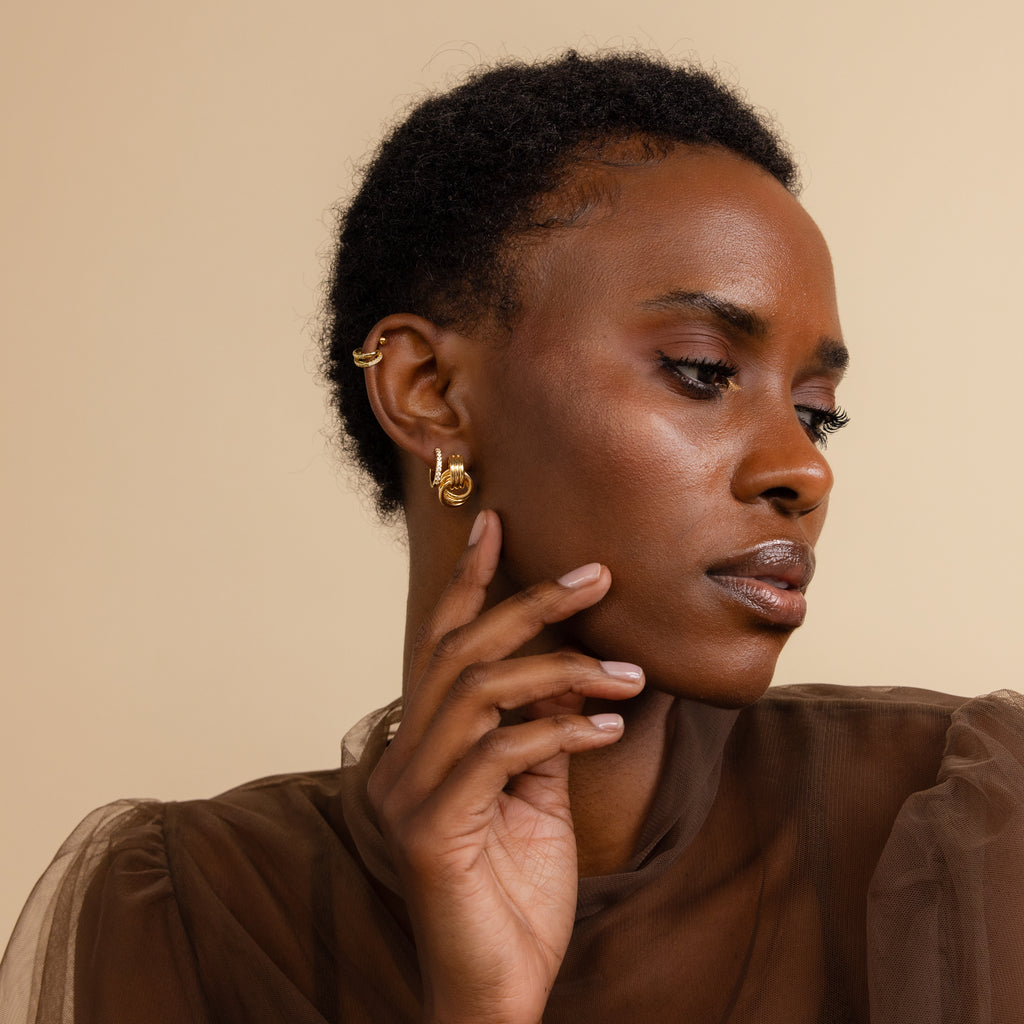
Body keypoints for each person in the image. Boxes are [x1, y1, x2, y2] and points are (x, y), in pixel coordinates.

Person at [1, 50, 1022, 1024]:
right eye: (704, 371)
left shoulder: (964, 829)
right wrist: (482, 1004)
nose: (804, 468)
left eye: (816, 409)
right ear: (428, 390)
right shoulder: (188, 907)